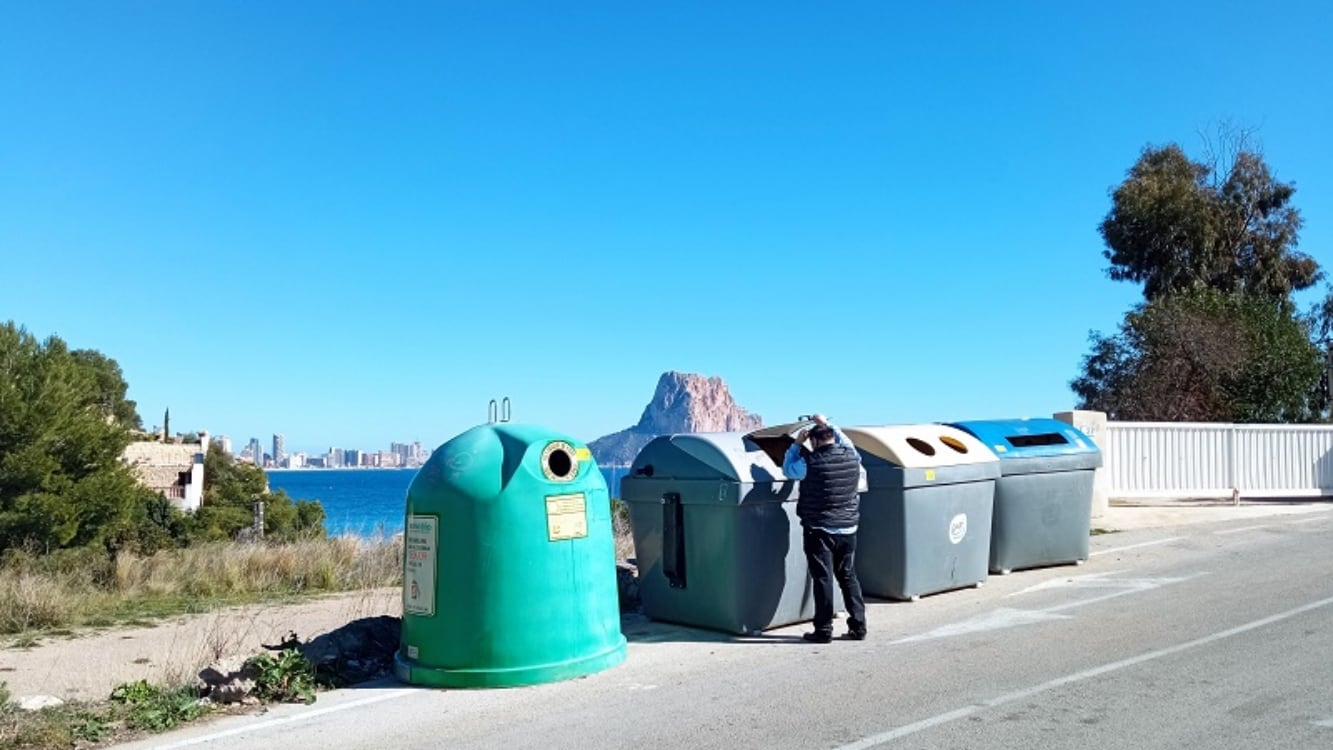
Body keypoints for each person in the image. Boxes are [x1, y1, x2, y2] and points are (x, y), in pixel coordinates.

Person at [782, 414, 867, 643]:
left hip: (819, 530)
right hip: (848, 528)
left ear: (815, 442)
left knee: (823, 579)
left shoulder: (808, 463)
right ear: (832, 437)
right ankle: (859, 627)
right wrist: (825, 423)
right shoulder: (852, 456)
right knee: (848, 576)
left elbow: (788, 470)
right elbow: (845, 441)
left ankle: (823, 630)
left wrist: (796, 445)